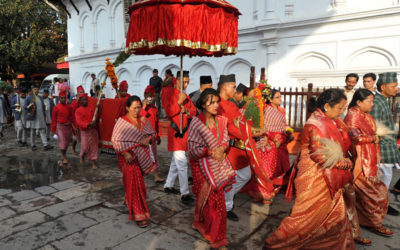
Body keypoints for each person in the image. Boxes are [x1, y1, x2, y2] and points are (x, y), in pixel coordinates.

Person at [265, 89, 355, 249]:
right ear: (327, 106)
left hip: (328, 174)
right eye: (340, 107)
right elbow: (320, 156)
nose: (343, 111)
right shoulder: (316, 124)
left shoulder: (329, 119)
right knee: (304, 216)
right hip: (314, 177)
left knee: (335, 213)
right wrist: (345, 163)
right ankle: (279, 243)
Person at [187, 88, 236, 249]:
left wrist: (221, 149)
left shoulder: (221, 120)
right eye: (212, 102)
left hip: (217, 166)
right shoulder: (196, 122)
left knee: (218, 202)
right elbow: (192, 147)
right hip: (201, 166)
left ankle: (218, 238)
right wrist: (210, 152)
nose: (216, 105)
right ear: (203, 104)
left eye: (217, 102)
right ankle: (202, 224)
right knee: (206, 200)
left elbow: (226, 139)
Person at [344, 89, 393, 238]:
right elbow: (354, 138)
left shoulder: (366, 115)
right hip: (360, 161)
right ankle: (374, 223)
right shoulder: (352, 116)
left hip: (369, 158)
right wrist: (372, 139)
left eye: (372, 101)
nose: (372, 104)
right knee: (375, 194)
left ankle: (362, 222)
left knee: (364, 195)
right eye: (369, 101)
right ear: (359, 102)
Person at [112, 95, 157, 227]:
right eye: (134, 108)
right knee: (134, 180)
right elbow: (115, 140)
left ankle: (128, 199)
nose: (137, 111)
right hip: (126, 157)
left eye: (138, 108)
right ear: (127, 108)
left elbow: (152, 135)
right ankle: (139, 214)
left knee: (137, 183)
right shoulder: (122, 122)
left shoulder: (143, 120)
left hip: (141, 155)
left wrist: (148, 140)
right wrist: (125, 153)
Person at [217, 74, 252, 221]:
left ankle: (224, 200)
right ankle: (226, 206)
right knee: (232, 178)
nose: (235, 89)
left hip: (238, 146)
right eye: (233, 86)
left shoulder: (231, 104)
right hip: (225, 148)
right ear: (224, 86)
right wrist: (248, 135)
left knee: (245, 175)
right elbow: (229, 127)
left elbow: (240, 121)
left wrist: (250, 130)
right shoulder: (216, 103)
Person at [161, 70, 197, 205]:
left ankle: (168, 185)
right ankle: (185, 193)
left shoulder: (184, 95)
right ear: (176, 81)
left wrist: (186, 111)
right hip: (176, 132)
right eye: (184, 82)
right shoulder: (169, 93)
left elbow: (193, 111)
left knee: (175, 162)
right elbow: (169, 112)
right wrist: (178, 104)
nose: (186, 84)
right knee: (182, 163)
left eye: (188, 82)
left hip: (184, 131)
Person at [369, 72, 400, 216]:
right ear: (383, 87)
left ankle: (381, 205)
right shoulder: (376, 102)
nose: (397, 88)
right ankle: (376, 210)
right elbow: (374, 130)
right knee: (382, 179)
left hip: (387, 147)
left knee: (385, 178)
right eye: (394, 86)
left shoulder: (383, 99)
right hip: (381, 150)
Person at [140, 85, 163, 183]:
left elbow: (157, 122)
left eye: (152, 96)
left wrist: (159, 135)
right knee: (140, 156)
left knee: (154, 156)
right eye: (148, 95)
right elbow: (139, 119)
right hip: (141, 136)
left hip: (152, 136)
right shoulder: (139, 107)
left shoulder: (154, 108)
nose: (150, 98)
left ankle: (156, 175)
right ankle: (140, 173)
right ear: (144, 95)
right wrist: (143, 108)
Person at [24, 86, 53, 151]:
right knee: (33, 131)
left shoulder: (40, 98)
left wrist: (44, 116)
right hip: (33, 117)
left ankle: (45, 145)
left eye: (37, 89)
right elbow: (25, 107)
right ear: (32, 90)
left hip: (41, 117)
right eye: (35, 89)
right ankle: (33, 145)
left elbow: (42, 108)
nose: (36, 90)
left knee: (42, 130)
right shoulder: (29, 97)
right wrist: (29, 106)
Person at [75, 93, 99, 169]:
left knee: (94, 147)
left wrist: (98, 110)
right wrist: (88, 124)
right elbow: (79, 122)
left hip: (93, 131)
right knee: (85, 147)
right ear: (80, 101)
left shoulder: (92, 108)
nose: (86, 101)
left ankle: (94, 162)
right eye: (84, 100)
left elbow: (96, 117)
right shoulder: (78, 111)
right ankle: (82, 155)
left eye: (86, 100)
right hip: (84, 132)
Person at [51, 90, 73, 167]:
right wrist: (53, 130)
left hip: (68, 127)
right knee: (62, 142)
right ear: (59, 99)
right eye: (62, 98)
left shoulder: (69, 107)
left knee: (66, 143)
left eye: (64, 98)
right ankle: (64, 157)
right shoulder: (56, 107)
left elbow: (72, 117)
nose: (63, 99)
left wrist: (73, 127)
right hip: (60, 127)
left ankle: (64, 155)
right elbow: (53, 119)